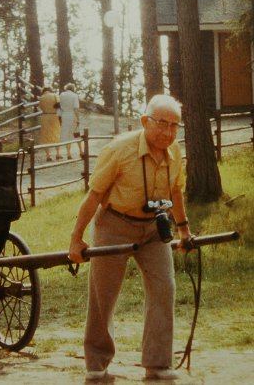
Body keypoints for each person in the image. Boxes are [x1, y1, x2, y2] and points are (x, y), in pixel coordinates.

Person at [68, 94, 192, 381]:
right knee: (104, 294)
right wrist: (76, 239)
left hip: (153, 228)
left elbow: (175, 192)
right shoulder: (120, 150)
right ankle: (97, 364)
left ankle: (158, 364)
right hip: (114, 224)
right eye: (162, 124)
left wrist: (184, 230)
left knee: (165, 287)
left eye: (175, 126)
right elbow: (94, 195)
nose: (168, 132)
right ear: (145, 121)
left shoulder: (175, 152)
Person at [59, 82, 83, 159]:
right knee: (76, 133)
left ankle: (68, 153)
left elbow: (60, 107)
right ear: (73, 89)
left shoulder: (61, 95)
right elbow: (76, 108)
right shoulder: (75, 96)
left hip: (64, 115)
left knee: (67, 134)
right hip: (72, 115)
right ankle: (81, 151)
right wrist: (78, 118)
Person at [38, 86, 62, 161]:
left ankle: (48, 155)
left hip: (45, 117)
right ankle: (58, 153)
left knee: (45, 136)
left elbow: (41, 108)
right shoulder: (55, 96)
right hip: (54, 116)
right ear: (50, 90)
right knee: (56, 134)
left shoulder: (41, 98)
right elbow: (59, 106)